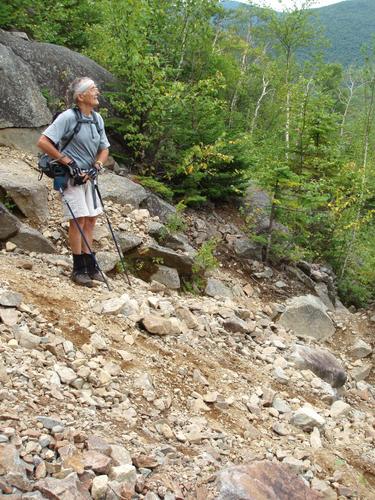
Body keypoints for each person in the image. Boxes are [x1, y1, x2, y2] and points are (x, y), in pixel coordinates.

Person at [37, 77, 110, 287]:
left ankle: (91, 265)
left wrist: (97, 165)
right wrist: (67, 160)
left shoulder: (97, 119)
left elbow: (104, 148)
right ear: (81, 96)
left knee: (90, 220)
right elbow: (43, 141)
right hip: (71, 177)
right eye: (93, 89)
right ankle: (78, 269)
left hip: (89, 176)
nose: (97, 92)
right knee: (77, 219)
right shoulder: (68, 117)